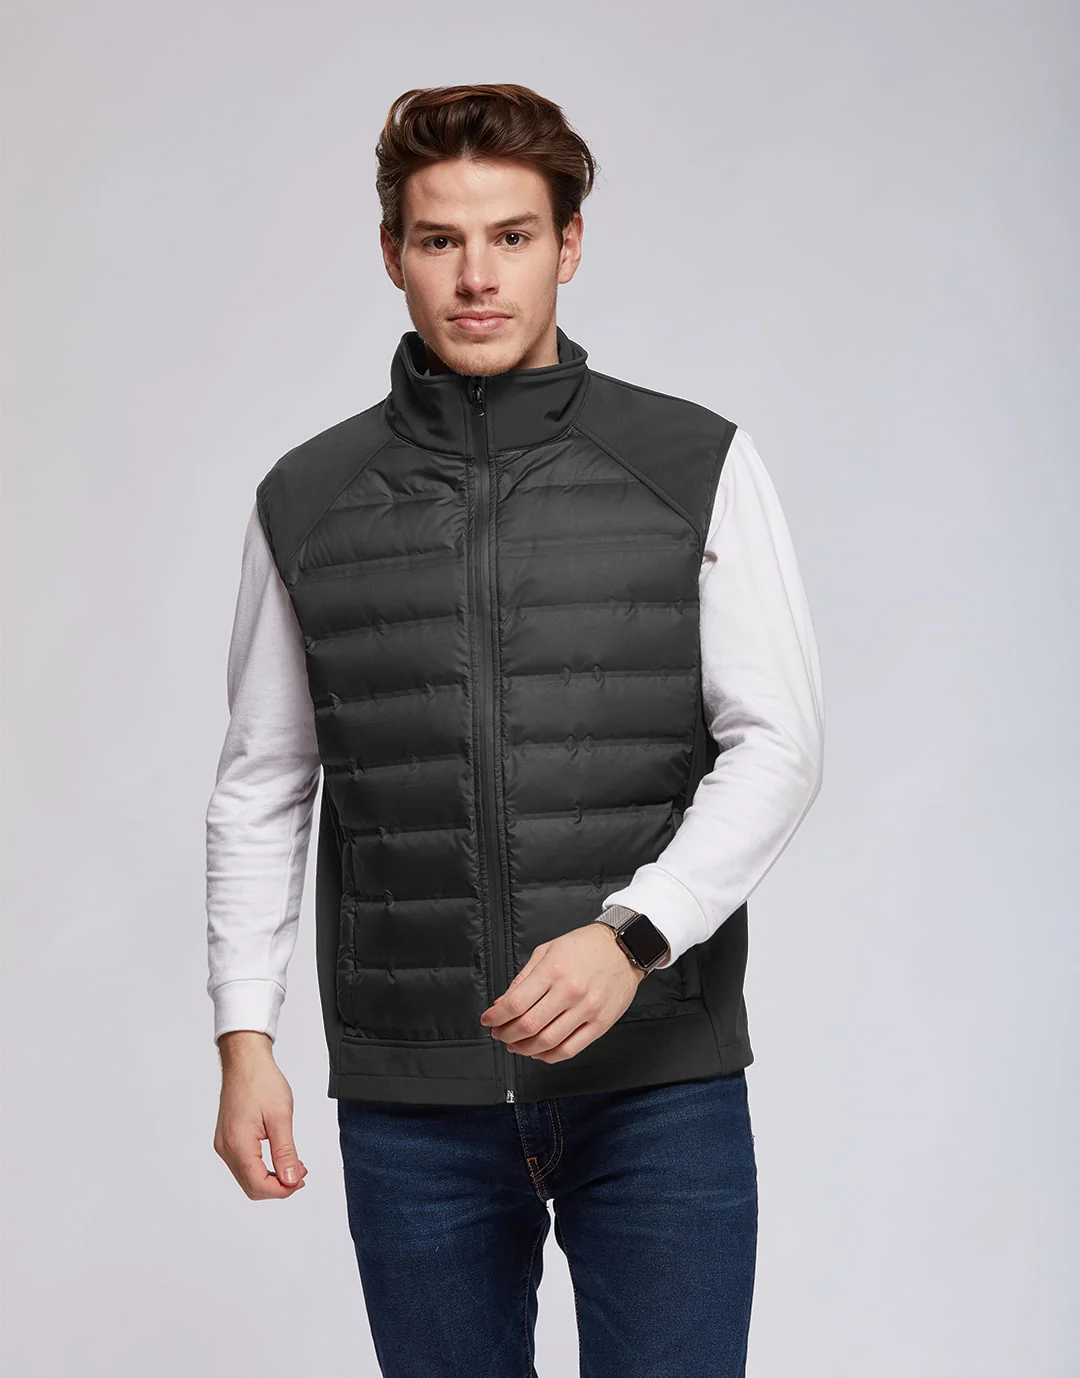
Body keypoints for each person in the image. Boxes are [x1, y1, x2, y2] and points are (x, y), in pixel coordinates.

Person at [206, 81, 825, 1378]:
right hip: (414, 1104)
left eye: (513, 236)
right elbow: (264, 783)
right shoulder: (307, 499)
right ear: (393, 253)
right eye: (441, 239)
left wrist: (633, 935)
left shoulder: (693, 464)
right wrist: (245, 1040)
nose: (477, 276)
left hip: (656, 1086)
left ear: (570, 244)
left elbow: (780, 742)